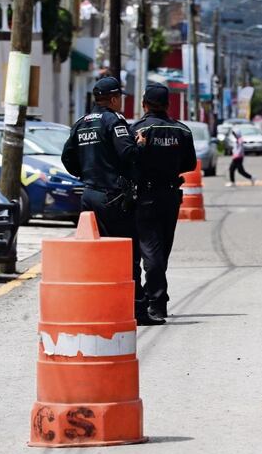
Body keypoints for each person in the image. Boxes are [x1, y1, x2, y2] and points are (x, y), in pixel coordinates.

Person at [61, 77, 156, 325]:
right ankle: (137, 310)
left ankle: (98, 306)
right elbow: (128, 154)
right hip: (113, 197)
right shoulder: (113, 121)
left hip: (89, 196)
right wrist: (141, 145)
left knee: (96, 254)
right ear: (113, 99)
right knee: (128, 254)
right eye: (120, 97)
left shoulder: (81, 124)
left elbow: (67, 158)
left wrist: (86, 174)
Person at [132, 83, 197, 322]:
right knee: (162, 249)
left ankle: (156, 302)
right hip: (170, 195)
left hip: (146, 195)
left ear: (144, 104)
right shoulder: (182, 131)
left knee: (151, 250)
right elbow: (190, 164)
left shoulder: (137, 129)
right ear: (168, 105)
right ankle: (156, 299)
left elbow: (129, 159)